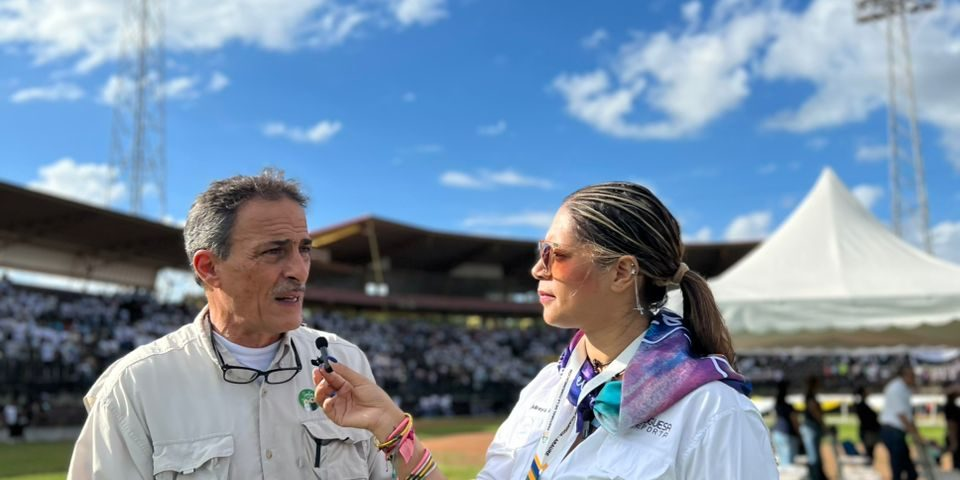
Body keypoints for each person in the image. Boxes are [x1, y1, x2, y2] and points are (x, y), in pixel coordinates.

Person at [313, 182, 778, 479]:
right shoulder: (547, 386)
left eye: (556, 254)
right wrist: (390, 427)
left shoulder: (715, 415)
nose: (538, 269)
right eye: (541, 251)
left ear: (622, 272)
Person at [68, 170, 391, 479]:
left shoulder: (347, 361)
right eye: (274, 251)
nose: (299, 270)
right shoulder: (135, 386)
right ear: (209, 268)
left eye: (304, 249)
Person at [880, 364, 920, 480]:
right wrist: (916, 435)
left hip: (894, 431)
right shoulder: (897, 389)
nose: (914, 379)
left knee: (903, 466)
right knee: (899, 467)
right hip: (893, 431)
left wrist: (915, 432)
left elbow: (907, 415)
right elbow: (902, 416)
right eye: (912, 376)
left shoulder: (902, 388)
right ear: (905, 375)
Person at [800, 376, 827, 480]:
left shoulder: (810, 395)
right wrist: (822, 423)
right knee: (813, 458)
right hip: (811, 427)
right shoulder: (810, 395)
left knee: (814, 456)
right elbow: (814, 411)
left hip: (811, 427)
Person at [772, 380, 801, 465]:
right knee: (788, 464)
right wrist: (799, 434)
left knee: (781, 462)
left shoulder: (777, 405)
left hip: (777, 433)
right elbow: (794, 420)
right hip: (787, 434)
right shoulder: (788, 407)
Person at [854, 385, 881, 464]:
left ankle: (869, 464)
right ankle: (869, 466)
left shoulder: (861, 405)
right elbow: (870, 417)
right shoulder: (862, 405)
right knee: (870, 451)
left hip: (867, 430)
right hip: (868, 431)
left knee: (870, 451)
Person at [945, 384, 959, 472]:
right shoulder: (951, 407)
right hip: (956, 438)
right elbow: (952, 425)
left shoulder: (952, 406)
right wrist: (954, 441)